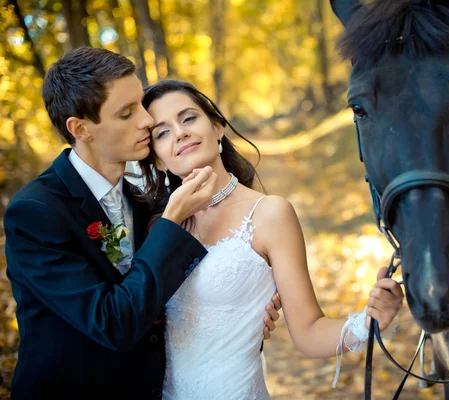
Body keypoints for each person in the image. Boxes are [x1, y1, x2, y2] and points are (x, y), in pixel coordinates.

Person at [3, 47, 281, 400]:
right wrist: (173, 220)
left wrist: (243, 313)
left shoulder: (144, 200)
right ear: (80, 128)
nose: (147, 121)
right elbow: (112, 322)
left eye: (140, 104)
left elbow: (163, 296)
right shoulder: (36, 213)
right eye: (126, 113)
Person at [139, 79, 405, 399]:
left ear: (218, 127)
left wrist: (369, 321)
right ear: (156, 157)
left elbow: (308, 333)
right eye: (162, 132)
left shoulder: (269, 214)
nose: (179, 132)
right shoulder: (158, 227)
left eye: (188, 118)